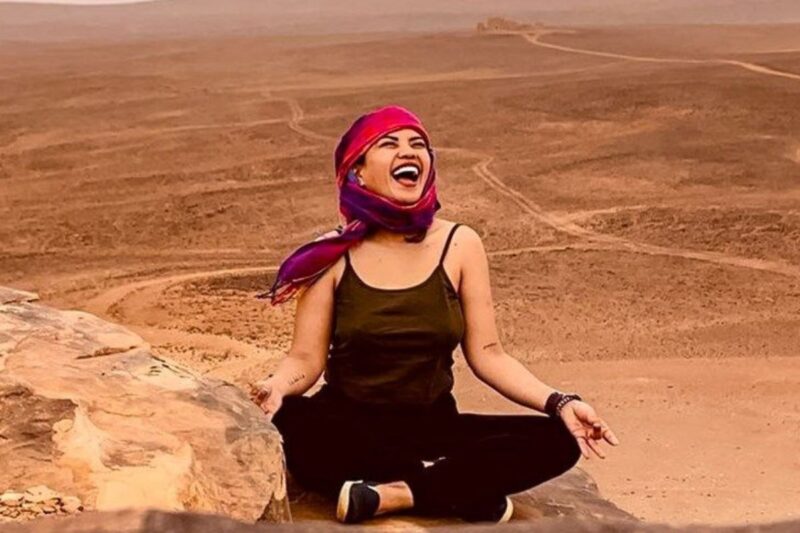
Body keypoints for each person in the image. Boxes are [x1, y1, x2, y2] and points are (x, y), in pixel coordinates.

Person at [250, 105, 619, 524]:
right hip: (348, 426)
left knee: (560, 439)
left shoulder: (460, 244)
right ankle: (460, 490)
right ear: (358, 172)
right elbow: (305, 360)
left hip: (433, 429)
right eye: (389, 144)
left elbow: (489, 354)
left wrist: (562, 402)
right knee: (292, 422)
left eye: (418, 144)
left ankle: (398, 493)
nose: (409, 152)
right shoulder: (331, 254)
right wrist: (277, 387)